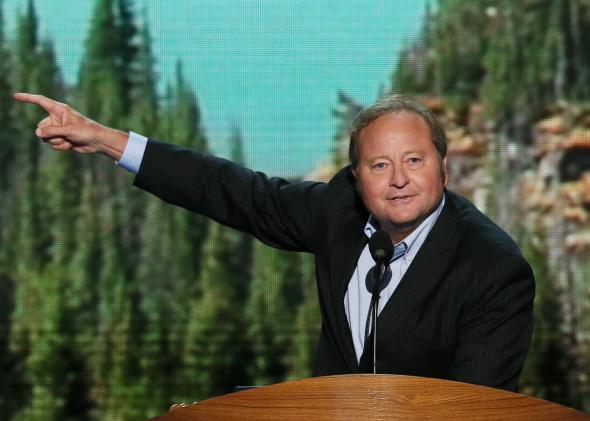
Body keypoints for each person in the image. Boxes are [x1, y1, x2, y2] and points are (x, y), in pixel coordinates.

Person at [14, 92, 535, 392]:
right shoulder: (339, 211)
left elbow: (476, 409)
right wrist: (108, 140)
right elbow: (231, 191)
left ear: (444, 166)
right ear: (356, 176)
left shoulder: (492, 268)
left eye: (414, 161)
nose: (398, 179)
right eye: (380, 164)